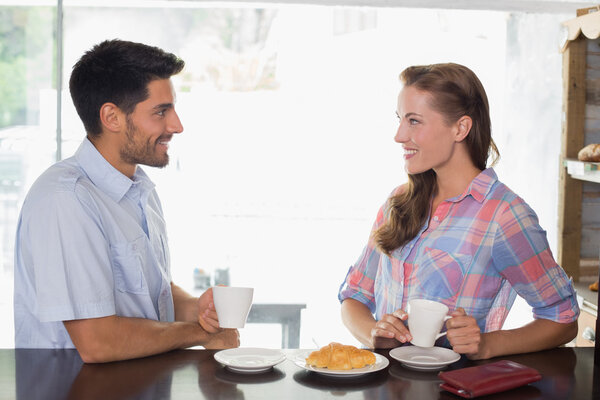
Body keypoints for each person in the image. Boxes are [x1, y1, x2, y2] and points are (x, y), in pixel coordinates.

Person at [14, 39, 239, 363]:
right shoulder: (66, 200)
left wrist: (198, 310)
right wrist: (203, 334)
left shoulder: (138, 189)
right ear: (112, 117)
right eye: (161, 111)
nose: (176, 125)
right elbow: (98, 342)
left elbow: (147, 293)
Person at [338, 63, 579, 360]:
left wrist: (488, 344)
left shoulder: (505, 215)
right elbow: (353, 298)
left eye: (414, 121)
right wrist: (375, 333)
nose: (399, 135)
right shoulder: (398, 202)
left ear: (460, 128)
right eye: (400, 119)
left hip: (455, 389)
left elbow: (562, 318)